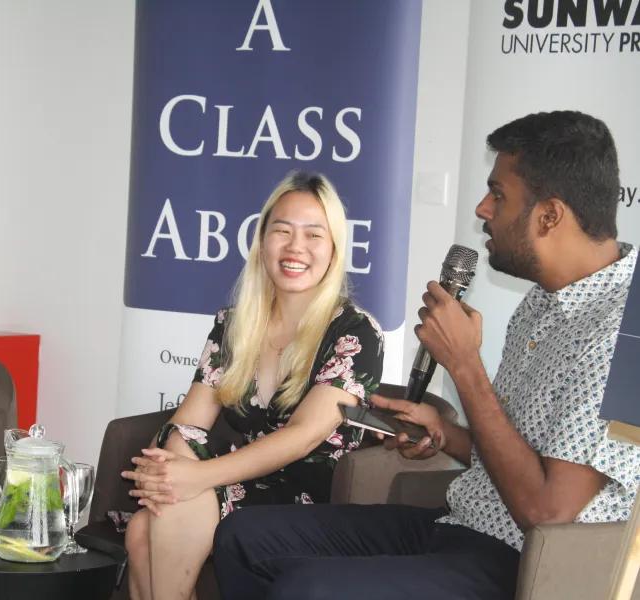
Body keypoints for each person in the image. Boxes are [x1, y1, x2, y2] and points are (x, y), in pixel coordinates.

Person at [212, 110, 640, 599]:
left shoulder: (627, 331)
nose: (482, 208)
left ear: (549, 216)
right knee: (244, 537)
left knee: (307, 588)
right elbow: (519, 452)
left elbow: (549, 514)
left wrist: (465, 366)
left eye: (498, 195)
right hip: (460, 526)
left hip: (526, 565)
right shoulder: (543, 299)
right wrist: (445, 437)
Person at [120, 171, 384, 600]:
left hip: (308, 495)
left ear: (334, 249)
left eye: (313, 235)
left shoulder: (356, 333)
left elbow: (303, 437)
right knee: (141, 528)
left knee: (159, 521)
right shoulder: (234, 324)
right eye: (282, 231)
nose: (295, 247)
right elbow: (189, 420)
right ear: (262, 242)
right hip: (236, 477)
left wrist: (196, 478)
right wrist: (167, 471)